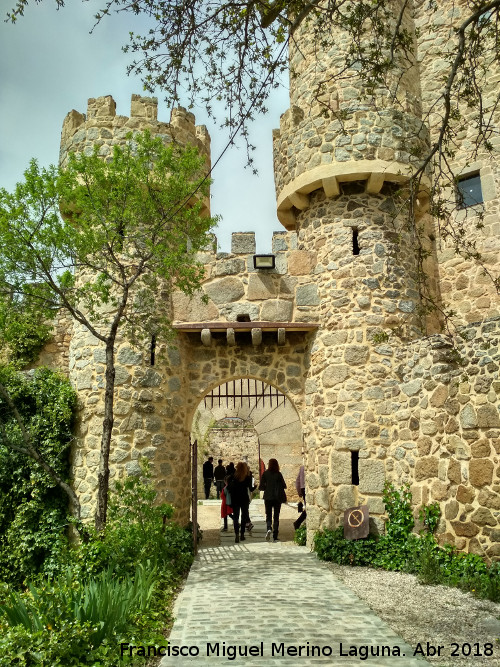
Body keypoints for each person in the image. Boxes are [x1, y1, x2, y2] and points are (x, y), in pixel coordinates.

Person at [259, 458, 287, 543]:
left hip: (268, 497)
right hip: (277, 498)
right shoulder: (278, 474)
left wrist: (267, 487)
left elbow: (261, 487)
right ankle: (275, 535)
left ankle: (269, 528)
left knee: (268, 514)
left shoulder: (265, 474)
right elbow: (284, 485)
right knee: (276, 516)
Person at [227, 461, 252, 544]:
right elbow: (250, 488)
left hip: (235, 499)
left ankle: (236, 534)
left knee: (236, 517)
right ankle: (242, 535)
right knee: (244, 516)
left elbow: (228, 487)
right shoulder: (247, 478)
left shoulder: (233, 477)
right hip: (244, 499)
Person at [294, 465, 307, 531]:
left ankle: (298, 523)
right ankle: (298, 522)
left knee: (308, 508)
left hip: (302, 488)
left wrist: (299, 493)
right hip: (306, 487)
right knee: (308, 509)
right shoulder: (305, 467)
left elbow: (297, 482)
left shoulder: (302, 468)